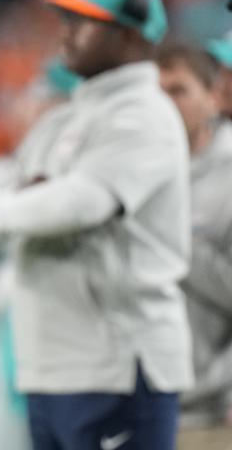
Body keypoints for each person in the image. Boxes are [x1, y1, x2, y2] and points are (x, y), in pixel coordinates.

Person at [0, 0, 193, 450]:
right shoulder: (69, 116)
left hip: (116, 365)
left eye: (85, 21)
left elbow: (81, 203)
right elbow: (15, 190)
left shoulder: (145, 113)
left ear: (128, 35)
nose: (66, 31)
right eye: (66, 17)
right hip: (53, 364)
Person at [156, 43, 232, 450]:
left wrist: (167, 231)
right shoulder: (127, 168)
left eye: (178, 90)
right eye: (157, 92)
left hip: (210, 416)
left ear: (214, 95)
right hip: (128, 406)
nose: (165, 104)